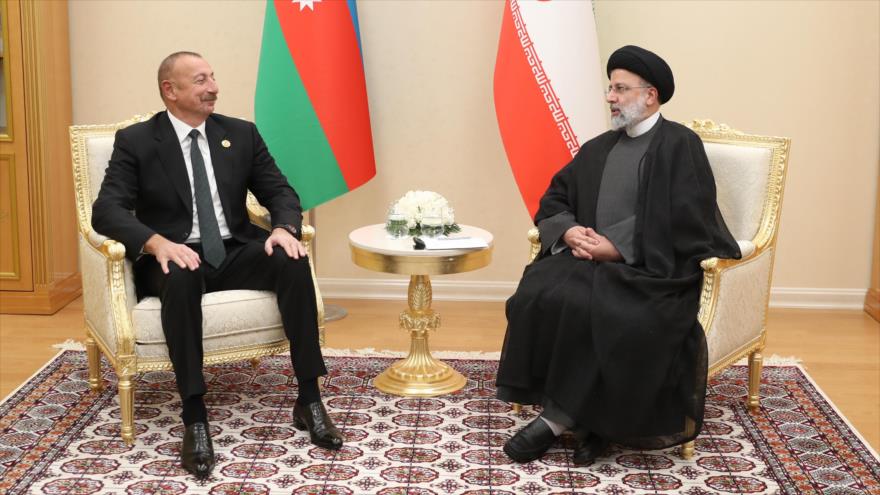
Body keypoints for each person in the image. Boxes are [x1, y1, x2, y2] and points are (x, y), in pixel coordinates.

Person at [91, 51, 343, 479]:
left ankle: (309, 398)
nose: (214, 88)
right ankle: (194, 416)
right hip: (172, 256)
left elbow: (280, 191)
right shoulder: (136, 141)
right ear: (170, 91)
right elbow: (107, 210)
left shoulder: (240, 133)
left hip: (233, 249)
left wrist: (284, 228)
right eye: (200, 80)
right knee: (183, 271)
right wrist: (156, 243)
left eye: (213, 77)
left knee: (292, 258)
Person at [496, 45, 741, 465]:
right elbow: (555, 199)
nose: (610, 97)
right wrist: (571, 231)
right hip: (586, 262)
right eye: (610, 88)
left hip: (655, 271)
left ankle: (554, 422)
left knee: (615, 314)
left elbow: (690, 217)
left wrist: (620, 246)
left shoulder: (681, 145)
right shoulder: (597, 148)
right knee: (539, 294)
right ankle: (593, 425)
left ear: (650, 95)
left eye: (620, 88)